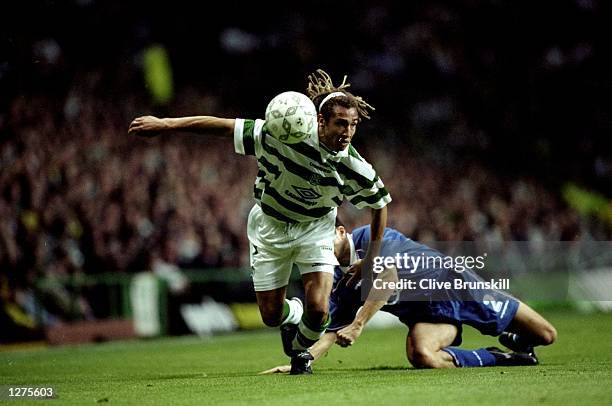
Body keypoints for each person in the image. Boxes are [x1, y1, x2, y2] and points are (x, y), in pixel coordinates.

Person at [128, 69, 391, 374]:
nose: (347, 133)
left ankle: (299, 352)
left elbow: (380, 205)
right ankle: (293, 317)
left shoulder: (353, 166)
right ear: (320, 121)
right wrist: (166, 123)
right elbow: (222, 127)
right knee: (270, 314)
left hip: (316, 229)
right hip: (270, 226)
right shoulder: (280, 133)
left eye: (353, 125)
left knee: (319, 311)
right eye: (340, 124)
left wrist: (370, 258)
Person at [261, 223, 557, 373]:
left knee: (546, 335)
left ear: (341, 231)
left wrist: (360, 323)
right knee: (422, 355)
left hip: (458, 287)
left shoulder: (371, 238)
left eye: (324, 239)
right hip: (429, 316)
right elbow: (331, 332)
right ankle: (501, 356)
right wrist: (302, 361)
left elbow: (388, 277)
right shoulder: (339, 283)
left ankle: (519, 338)